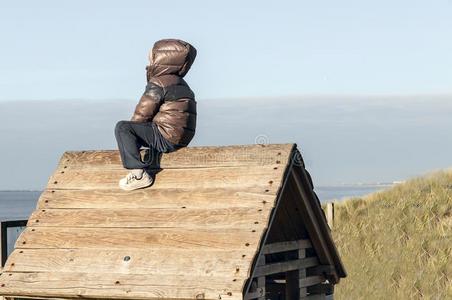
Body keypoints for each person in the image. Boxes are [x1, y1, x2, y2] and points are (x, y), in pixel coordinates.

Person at [114, 39, 197, 191]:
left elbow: (142, 115)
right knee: (137, 130)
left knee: (123, 128)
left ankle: (138, 175)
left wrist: (128, 142)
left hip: (165, 137)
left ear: (160, 60)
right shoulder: (182, 84)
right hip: (179, 138)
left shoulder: (159, 83)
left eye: (151, 57)